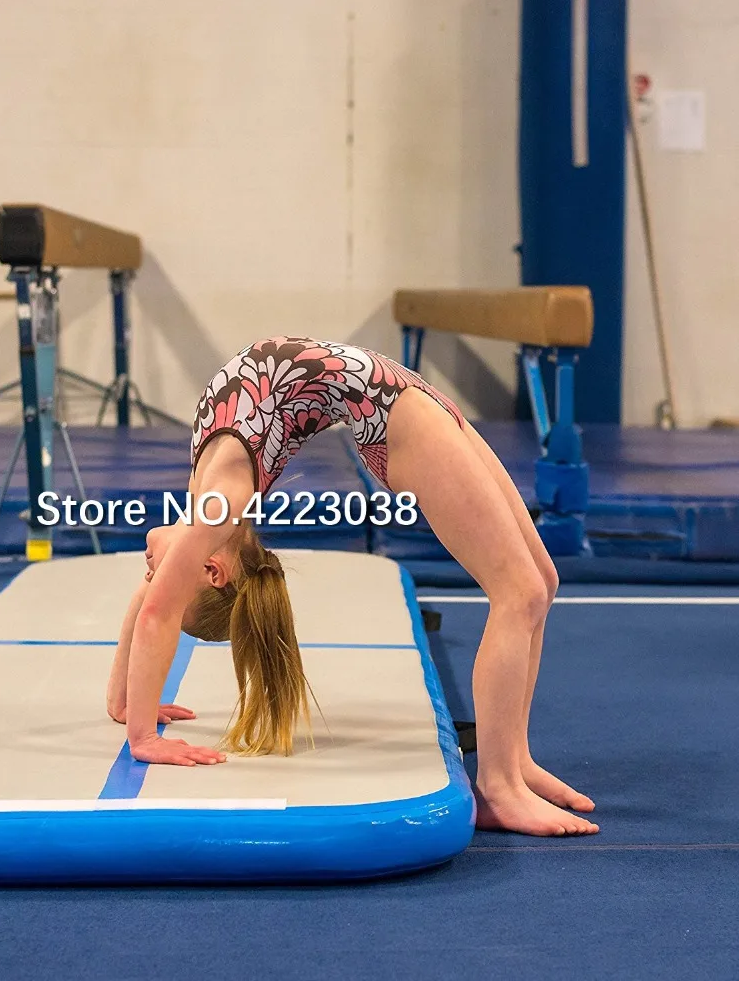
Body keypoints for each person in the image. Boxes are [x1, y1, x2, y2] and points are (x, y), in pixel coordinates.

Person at [106, 337, 598, 836]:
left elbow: (155, 607)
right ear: (211, 572)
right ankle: (499, 786)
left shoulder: (205, 498)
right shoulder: (219, 504)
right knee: (520, 594)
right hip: (401, 422)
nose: (148, 574)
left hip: (408, 399)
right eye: (156, 575)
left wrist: (126, 705)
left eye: (152, 573)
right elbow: (157, 612)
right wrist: (143, 735)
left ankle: (516, 760)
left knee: (543, 581)